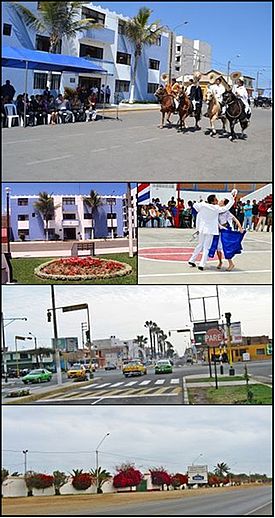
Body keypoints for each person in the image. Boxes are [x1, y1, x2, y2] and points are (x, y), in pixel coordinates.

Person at [188, 189, 237, 271]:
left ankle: (192, 260)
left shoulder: (202, 205)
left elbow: (195, 206)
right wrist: (232, 198)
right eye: (216, 199)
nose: (217, 200)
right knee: (206, 248)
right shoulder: (216, 208)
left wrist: (203, 203)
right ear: (213, 201)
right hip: (210, 230)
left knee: (200, 245)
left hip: (202, 229)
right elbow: (226, 207)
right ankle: (201, 264)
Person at [215, 198, 244, 271]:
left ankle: (231, 263)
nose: (219, 201)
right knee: (218, 248)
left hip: (225, 231)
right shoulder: (216, 210)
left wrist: (240, 227)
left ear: (224, 204)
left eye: (221, 201)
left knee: (226, 247)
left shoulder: (226, 212)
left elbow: (235, 219)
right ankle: (220, 262)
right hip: (217, 231)